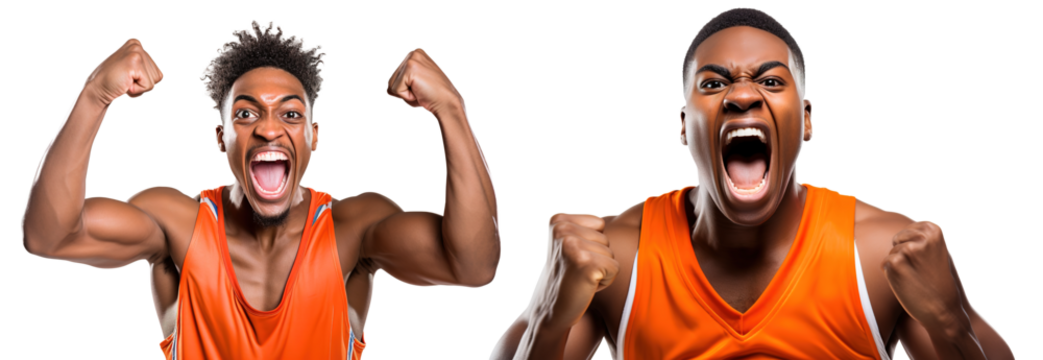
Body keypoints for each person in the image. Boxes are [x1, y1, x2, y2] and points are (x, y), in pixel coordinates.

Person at [488, 8, 1015, 360]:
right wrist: (547, 316)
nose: (742, 96)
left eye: (769, 80)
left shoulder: (881, 254)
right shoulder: (617, 255)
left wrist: (950, 322)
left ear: (806, 121)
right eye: (713, 83)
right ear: (683, 127)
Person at [19, 19, 501, 359]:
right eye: (246, 114)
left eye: (290, 114)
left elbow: (474, 265)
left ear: (314, 136)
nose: (269, 129)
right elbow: (49, 236)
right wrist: (94, 95)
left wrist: (452, 109)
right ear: (220, 137)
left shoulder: (351, 229)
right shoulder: (177, 224)